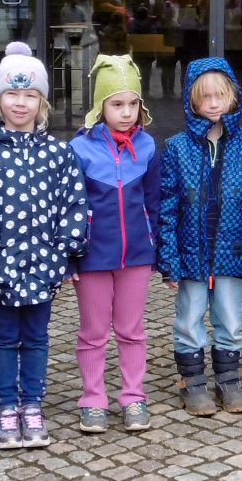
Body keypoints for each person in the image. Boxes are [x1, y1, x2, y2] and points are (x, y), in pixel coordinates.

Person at [0, 43, 90, 450]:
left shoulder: (58, 153)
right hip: (0, 265)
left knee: (36, 337)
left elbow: (74, 204)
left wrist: (63, 252)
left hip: (42, 265)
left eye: (30, 95)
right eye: (13, 94)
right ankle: (6, 407)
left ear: (42, 102)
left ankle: (32, 404)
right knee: (3, 337)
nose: (21, 103)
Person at [158, 58, 242, 416]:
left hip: (232, 250)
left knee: (230, 316)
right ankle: (192, 383)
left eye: (219, 95)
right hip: (191, 253)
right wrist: (169, 260)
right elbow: (168, 205)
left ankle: (229, 379)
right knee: (189, 317)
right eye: (204, 96)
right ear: (192, 100)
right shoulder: (177, 147)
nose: (212, 103)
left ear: (233, 97)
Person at [69, 55, 161, 434]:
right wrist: (72, 257)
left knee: (132, 329)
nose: (126, 112)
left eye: (133, 103)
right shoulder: (79, 149)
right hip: (92, 257)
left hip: (136, 256)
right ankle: (93, 398)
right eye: (116, 104)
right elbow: (71, 208)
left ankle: (133, 396)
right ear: (100, 106)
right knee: (93, 331)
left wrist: (153, 245)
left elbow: (154, 202)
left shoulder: (150, 147)